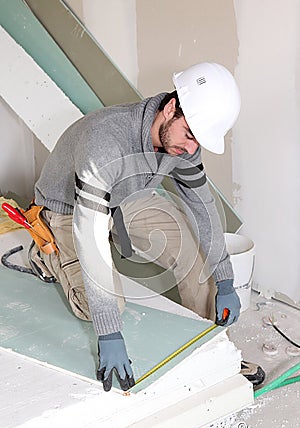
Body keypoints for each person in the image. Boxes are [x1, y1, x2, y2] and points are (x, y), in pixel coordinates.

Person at [29, 62, 264, 392]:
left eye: (199, 141)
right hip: (68, 209)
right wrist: (108, 331)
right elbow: (91, 234)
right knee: (103, 305)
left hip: (124, 196)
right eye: (190, 135)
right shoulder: (104, 142)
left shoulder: (183, 143)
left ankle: (214, 349)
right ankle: (45, 254)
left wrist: (225, 279)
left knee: (193, 257)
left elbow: (203, 206)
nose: (192, 149)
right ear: (170, 109)